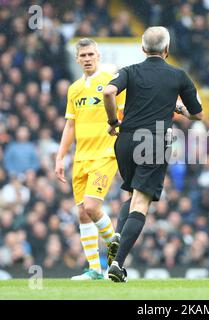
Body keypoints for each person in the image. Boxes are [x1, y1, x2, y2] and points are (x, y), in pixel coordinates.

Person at [103, 26, 203, 282]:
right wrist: (179, 109)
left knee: (133, 194)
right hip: (153, 141)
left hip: (124, 140)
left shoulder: (129, 71)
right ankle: (117, 265)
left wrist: (113, 120)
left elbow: (108, 91)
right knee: (141, 202)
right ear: (167, 50)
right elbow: (198, 113)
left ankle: (117, 234)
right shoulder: (178, 75)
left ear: (143, 48)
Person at [55, 38, 125, 280]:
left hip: (105, 153)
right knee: (83, 213)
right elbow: (70, 125)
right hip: (81, 156)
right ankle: (95, 269)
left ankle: (116, 243)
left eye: (90, 54)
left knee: (92, 207)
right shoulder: (74, 89)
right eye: (82, 55)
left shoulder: (110, 82)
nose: (87, 59)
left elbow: (124, 114)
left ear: (98, 56)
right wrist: (60, 156)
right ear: (77, 59)